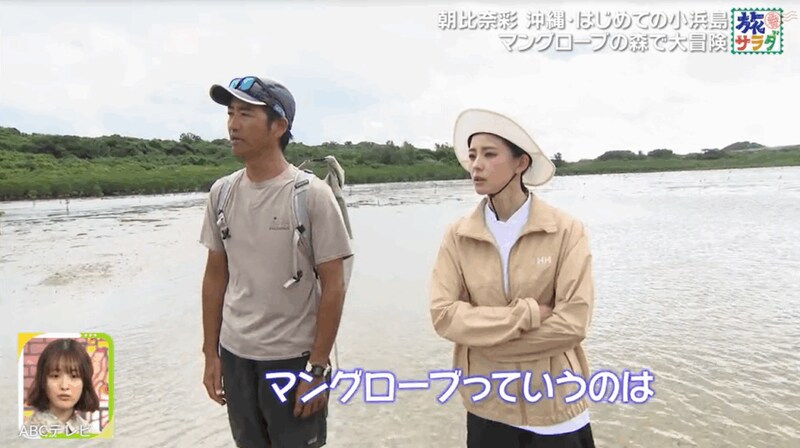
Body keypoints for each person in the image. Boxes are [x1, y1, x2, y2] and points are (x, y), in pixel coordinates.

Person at [199, 76, 353, 448]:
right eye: (230, 113)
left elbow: (334, 285)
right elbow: (215, 278)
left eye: (245, 114)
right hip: (235, 357)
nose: (233, 124)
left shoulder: (311, 196)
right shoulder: (222, 193)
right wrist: (210, 354)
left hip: (292, 360)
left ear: (279, 126)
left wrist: (317, 369)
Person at [429, 108, 596, 448]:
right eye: (473, 155)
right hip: (488, 404)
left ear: (521, 163)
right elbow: (444, 315)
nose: (476, 165)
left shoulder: (566, 231)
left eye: (490, 155)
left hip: (556, 407)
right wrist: (529, 314)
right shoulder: (458, 236)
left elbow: (573, 323)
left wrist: (486, 344)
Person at [24, 338, 99, 437]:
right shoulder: (28, 433)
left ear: (84, 383)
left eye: (74, 376)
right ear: (43, 381)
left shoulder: (91, 434)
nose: (64, 386)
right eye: (55, 376)